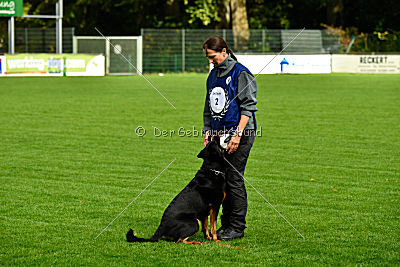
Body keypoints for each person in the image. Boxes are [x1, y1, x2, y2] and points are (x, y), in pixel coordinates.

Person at [202, 36, 257, 240]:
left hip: (241, 133)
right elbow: (208, 106)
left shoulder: (241, 73)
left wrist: (237, 135)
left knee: (234, 179)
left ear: (224, 52)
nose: (210, 61)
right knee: (221, 180)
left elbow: (248, 107)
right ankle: (225, 225)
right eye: (208, 57)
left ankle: (237, 226)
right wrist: (208, 131)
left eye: (212, 56)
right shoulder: (212, 75)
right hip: (219, 135)